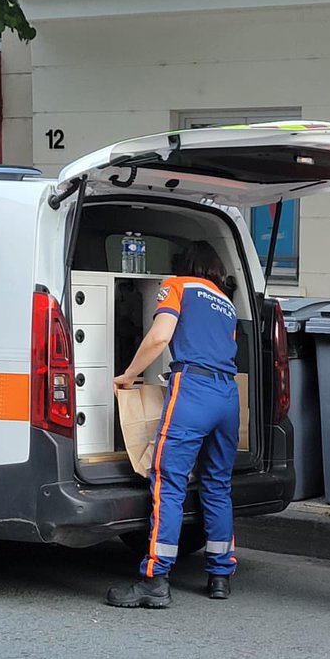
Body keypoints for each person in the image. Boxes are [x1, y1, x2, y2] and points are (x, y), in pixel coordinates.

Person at [106, 241, 240, 609]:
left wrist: (129, 376)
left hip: (193, 390)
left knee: (169, 481)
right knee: (216, 483)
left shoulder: (177, 285)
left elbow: (161, 336)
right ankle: (220, 574)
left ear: (185, 264)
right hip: (228, 395)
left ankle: (155, 578)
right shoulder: (227, 303)